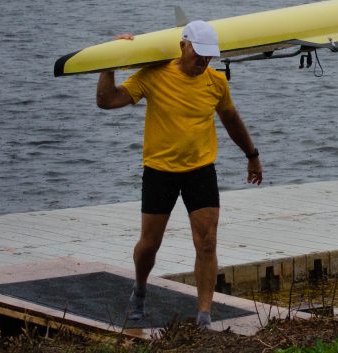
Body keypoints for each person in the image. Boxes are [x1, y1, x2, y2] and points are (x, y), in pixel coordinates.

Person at [94, 20, 263, 328]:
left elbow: (231, 119)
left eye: (209, 56)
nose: (203, 61)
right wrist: (109, 62)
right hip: (160, 172)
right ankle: (140, 291)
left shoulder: (216, 83)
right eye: (198, 54)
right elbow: (107, 101)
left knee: (208, 241)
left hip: (200, 171)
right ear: (184, 45)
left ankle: (204, 314)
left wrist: (252, 156)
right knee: (149, 244)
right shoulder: (154, 75)